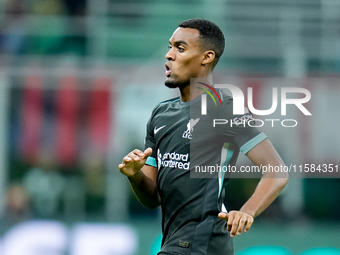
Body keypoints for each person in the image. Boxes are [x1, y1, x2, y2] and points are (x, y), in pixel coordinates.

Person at [119, 18, 288, 255]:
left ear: (206, 57)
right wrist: (135, 175)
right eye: (170, 47)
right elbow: (152, 199)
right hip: (175, 243)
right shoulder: (161, 114)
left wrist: (247, 211)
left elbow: (277, 171)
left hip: (203, 241)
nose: (169, 55)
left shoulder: (225, 108)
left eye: (180, 48)